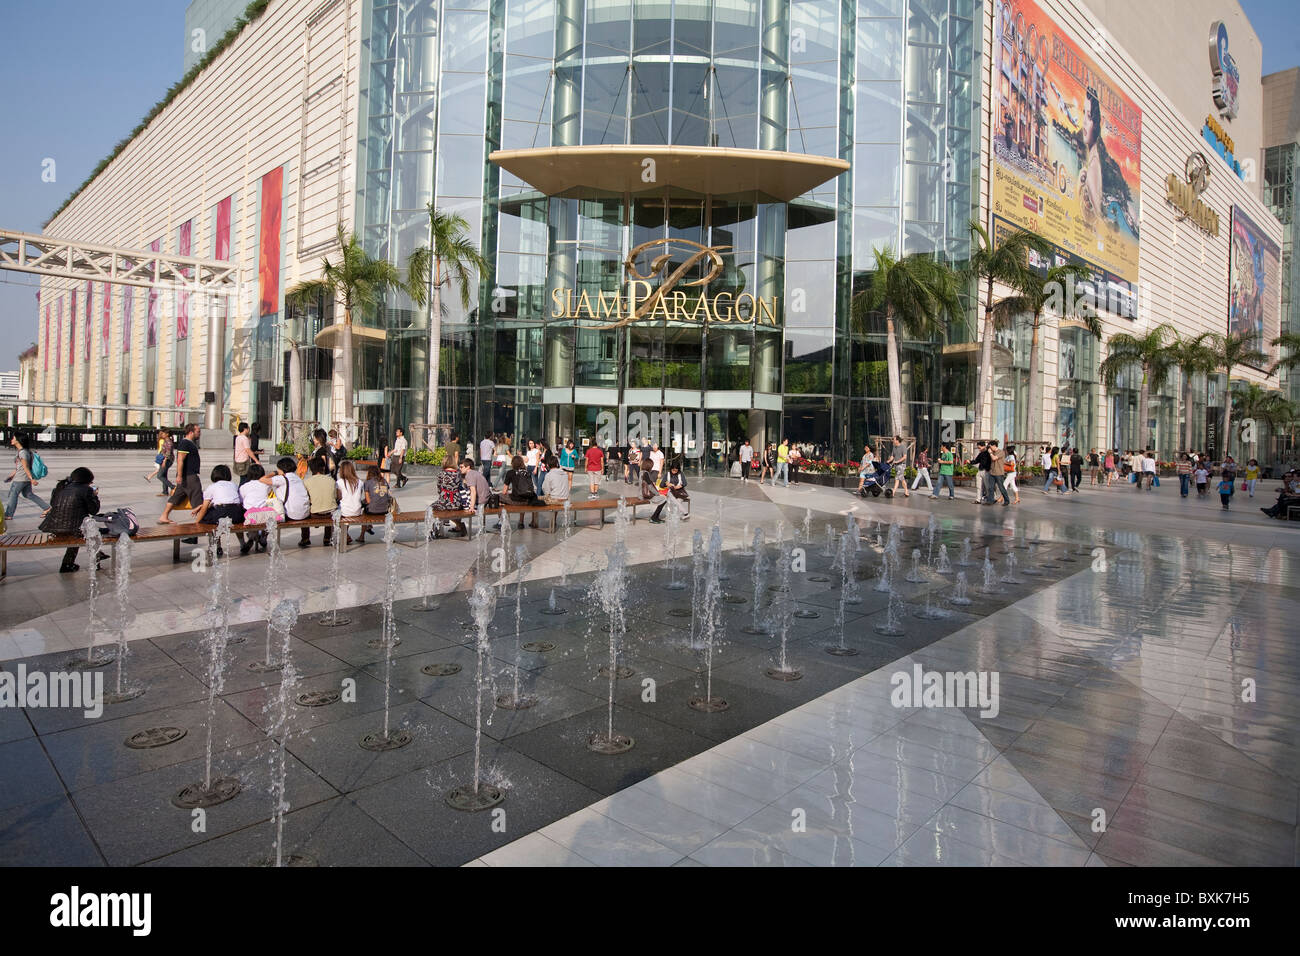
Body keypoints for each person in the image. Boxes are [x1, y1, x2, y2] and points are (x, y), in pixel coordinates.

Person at [38, 467, 101, 573]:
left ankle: (67, 564)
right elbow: (94, 510)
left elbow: (53, 505)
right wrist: (95, 496)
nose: (90, 484)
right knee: (90, 531)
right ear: (85, 480)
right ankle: (97, 561)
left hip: (53, 528)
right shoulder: (86, 490)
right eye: (90, 482)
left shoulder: (61, 487)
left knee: (80, 531)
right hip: (73, 529)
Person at [159, 422, 203, 524]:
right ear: (191, 432)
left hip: (186, 476)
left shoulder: (189, 443)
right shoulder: (185, 443)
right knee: (197, 498)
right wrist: (179, 475)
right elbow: (180, 459)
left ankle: (164, 516)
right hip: (189, 476)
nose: (199, 434)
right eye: (198, 431)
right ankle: (201, 521)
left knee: (176, 496)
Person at [4, 434, 49, 519]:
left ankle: (8, 514)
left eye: (13, 438)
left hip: (21, 479)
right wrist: (12, 475)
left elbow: (26, 467)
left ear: (18, 440)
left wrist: (31, 479)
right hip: (24, 477)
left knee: (13, 495)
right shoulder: (24, 451)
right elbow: (20, 467)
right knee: (28, 494)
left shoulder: (23, 452)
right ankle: (47, 508)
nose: (12, 439)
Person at [192, 465, 245, 536]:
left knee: (206, 518)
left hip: (221, 514)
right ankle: (242, 543)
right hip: (237, 515)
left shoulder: (212, 487)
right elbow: (236, 501)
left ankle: (217, 545)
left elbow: (204, 508)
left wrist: (196, 523)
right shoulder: (234, 485)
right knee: (234, 521)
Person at [300, 456, 338, 547]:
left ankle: (305, 538)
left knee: (303, 512)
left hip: (314, 514)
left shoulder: (306, 482)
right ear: (323, 468)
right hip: (330, 514)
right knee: (329, 507)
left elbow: (305, 499)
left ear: (311, 469)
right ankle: (327, 538)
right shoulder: (331, 480)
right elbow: (335, 497)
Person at [238, 463, 271, 553]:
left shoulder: (244, 487)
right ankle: (263, 536)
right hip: (264, 515)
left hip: (249, 514)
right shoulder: (267, 485)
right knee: (267, 511)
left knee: (249, 513)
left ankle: (251, 539)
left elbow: (241, 501)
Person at [456, 458, 491, 536]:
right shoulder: (475, 473)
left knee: (456, 504)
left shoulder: (470, 474)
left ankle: (459, 526)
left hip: (481, 501)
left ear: (468, 467)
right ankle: (458, 526)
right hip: (485, 498)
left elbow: (473, 491)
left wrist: (472, 507)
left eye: (461, 467)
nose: (460, 469)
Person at [503, 454, 539, 529]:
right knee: (524, 495)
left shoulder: (510, 472)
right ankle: (522, 521)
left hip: (515, 500)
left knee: (499, 496)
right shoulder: (526, 472)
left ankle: (503, 522)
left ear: (512, 463)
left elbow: (504, 491)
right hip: (526, 500)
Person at [336, 459, 366, 544]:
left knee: (336, 511)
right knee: (349, 507)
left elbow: (339, 497)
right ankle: (354, 535)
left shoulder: (340, 482)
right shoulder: (359, 482)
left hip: (345, 512)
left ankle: (345, 535)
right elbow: (359, 496)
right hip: (357, 511)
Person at [233, 422, 259, 486]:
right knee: (244, 480)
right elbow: (248, 450)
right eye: (248, 428)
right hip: (243, 462)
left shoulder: (238, 437)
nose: (249, 430)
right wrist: (256, 460)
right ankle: (241, 492)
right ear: (245, 429)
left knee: (243, 479)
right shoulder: (244, 438)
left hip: (238, 461)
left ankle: (241, 491)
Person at [987, 440, 1010, 506]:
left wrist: (990, 453)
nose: (990, 448)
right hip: (992, 472)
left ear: (994, 446)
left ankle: (1006, 500)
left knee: (1001, 487)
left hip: (999, 473)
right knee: (990, 487)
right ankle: (991, 500)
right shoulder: (992, 452)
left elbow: (994, 458)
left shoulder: (1001, 452)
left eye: (990, 446)